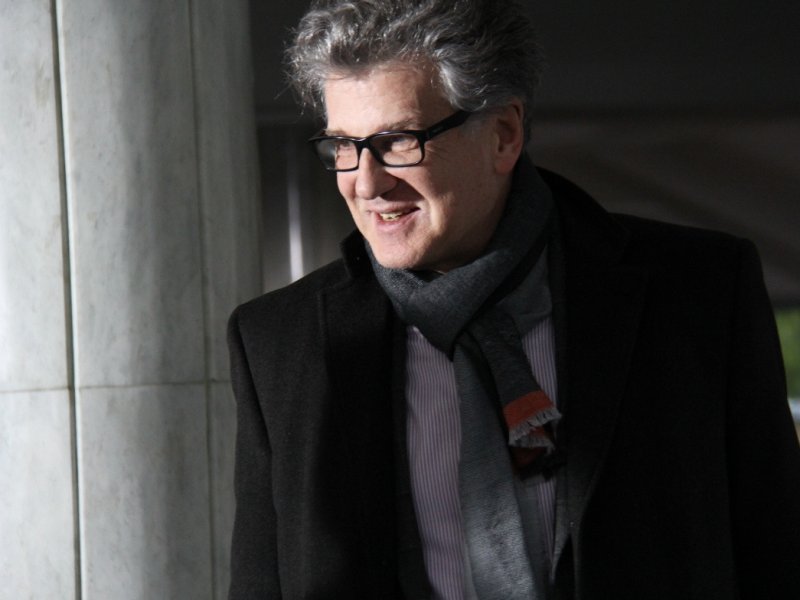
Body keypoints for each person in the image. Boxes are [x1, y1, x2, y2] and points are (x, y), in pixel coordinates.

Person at [227, 0, 800, 598]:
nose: (366, 183)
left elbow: (778, 555)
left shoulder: (699, 292)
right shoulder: (278, 342)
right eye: (344, 146)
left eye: (397, 141)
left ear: (503, 134)